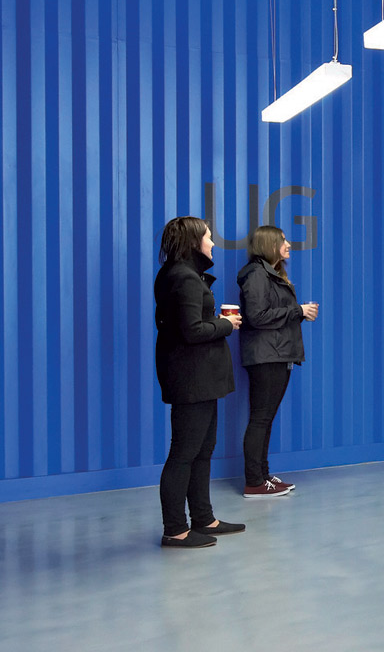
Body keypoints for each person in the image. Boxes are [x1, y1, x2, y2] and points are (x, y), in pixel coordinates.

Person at [153, 216, 246, 548]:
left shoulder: (179, 275)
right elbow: (193, 331)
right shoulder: (185, 279)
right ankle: (175, 529)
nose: (213, 243)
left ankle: (204, 519)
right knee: (184, 453)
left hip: (200, 377)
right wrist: (226, 324)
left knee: (202, 450)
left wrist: (216, 322)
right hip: (192, 378)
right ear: (194, 242)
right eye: (208, 237)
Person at [236, 225, 317, 499]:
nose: (288, 244)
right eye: (282, 240)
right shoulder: (256, 274)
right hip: (266, 355)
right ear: (269, 244)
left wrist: (299, 313)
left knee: (265, 419)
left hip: (276, 353)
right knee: (261, 418)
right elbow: (257, 316)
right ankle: (254, 482)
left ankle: (262, 477)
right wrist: (297, 311)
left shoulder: (268, 273)